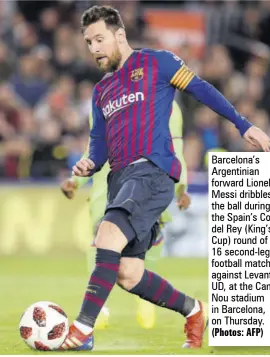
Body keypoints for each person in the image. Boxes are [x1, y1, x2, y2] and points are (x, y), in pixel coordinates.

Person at [60, 5, 270, 351]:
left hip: (152, 171)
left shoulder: (158, 62)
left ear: (120, 35)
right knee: (128, 273)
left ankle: (82, 329)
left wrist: (242, 124)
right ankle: (195, 310)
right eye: (88, 42)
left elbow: (203, 90)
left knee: (107, 235)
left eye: (99, 39)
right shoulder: (101, 92)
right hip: (120, 179)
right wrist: (87, 164)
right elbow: (98, 151)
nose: (94, 48)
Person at [61, 100, 190, 330]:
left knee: (147, 236)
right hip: (108, 179)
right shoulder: (104, 98)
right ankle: (98, 309)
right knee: (101, 237)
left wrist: (182, 186)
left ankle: (145, 296)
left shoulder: (168, 105)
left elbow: (176, 149)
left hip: (149, 177)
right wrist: (76, 180)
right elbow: (93, 147)